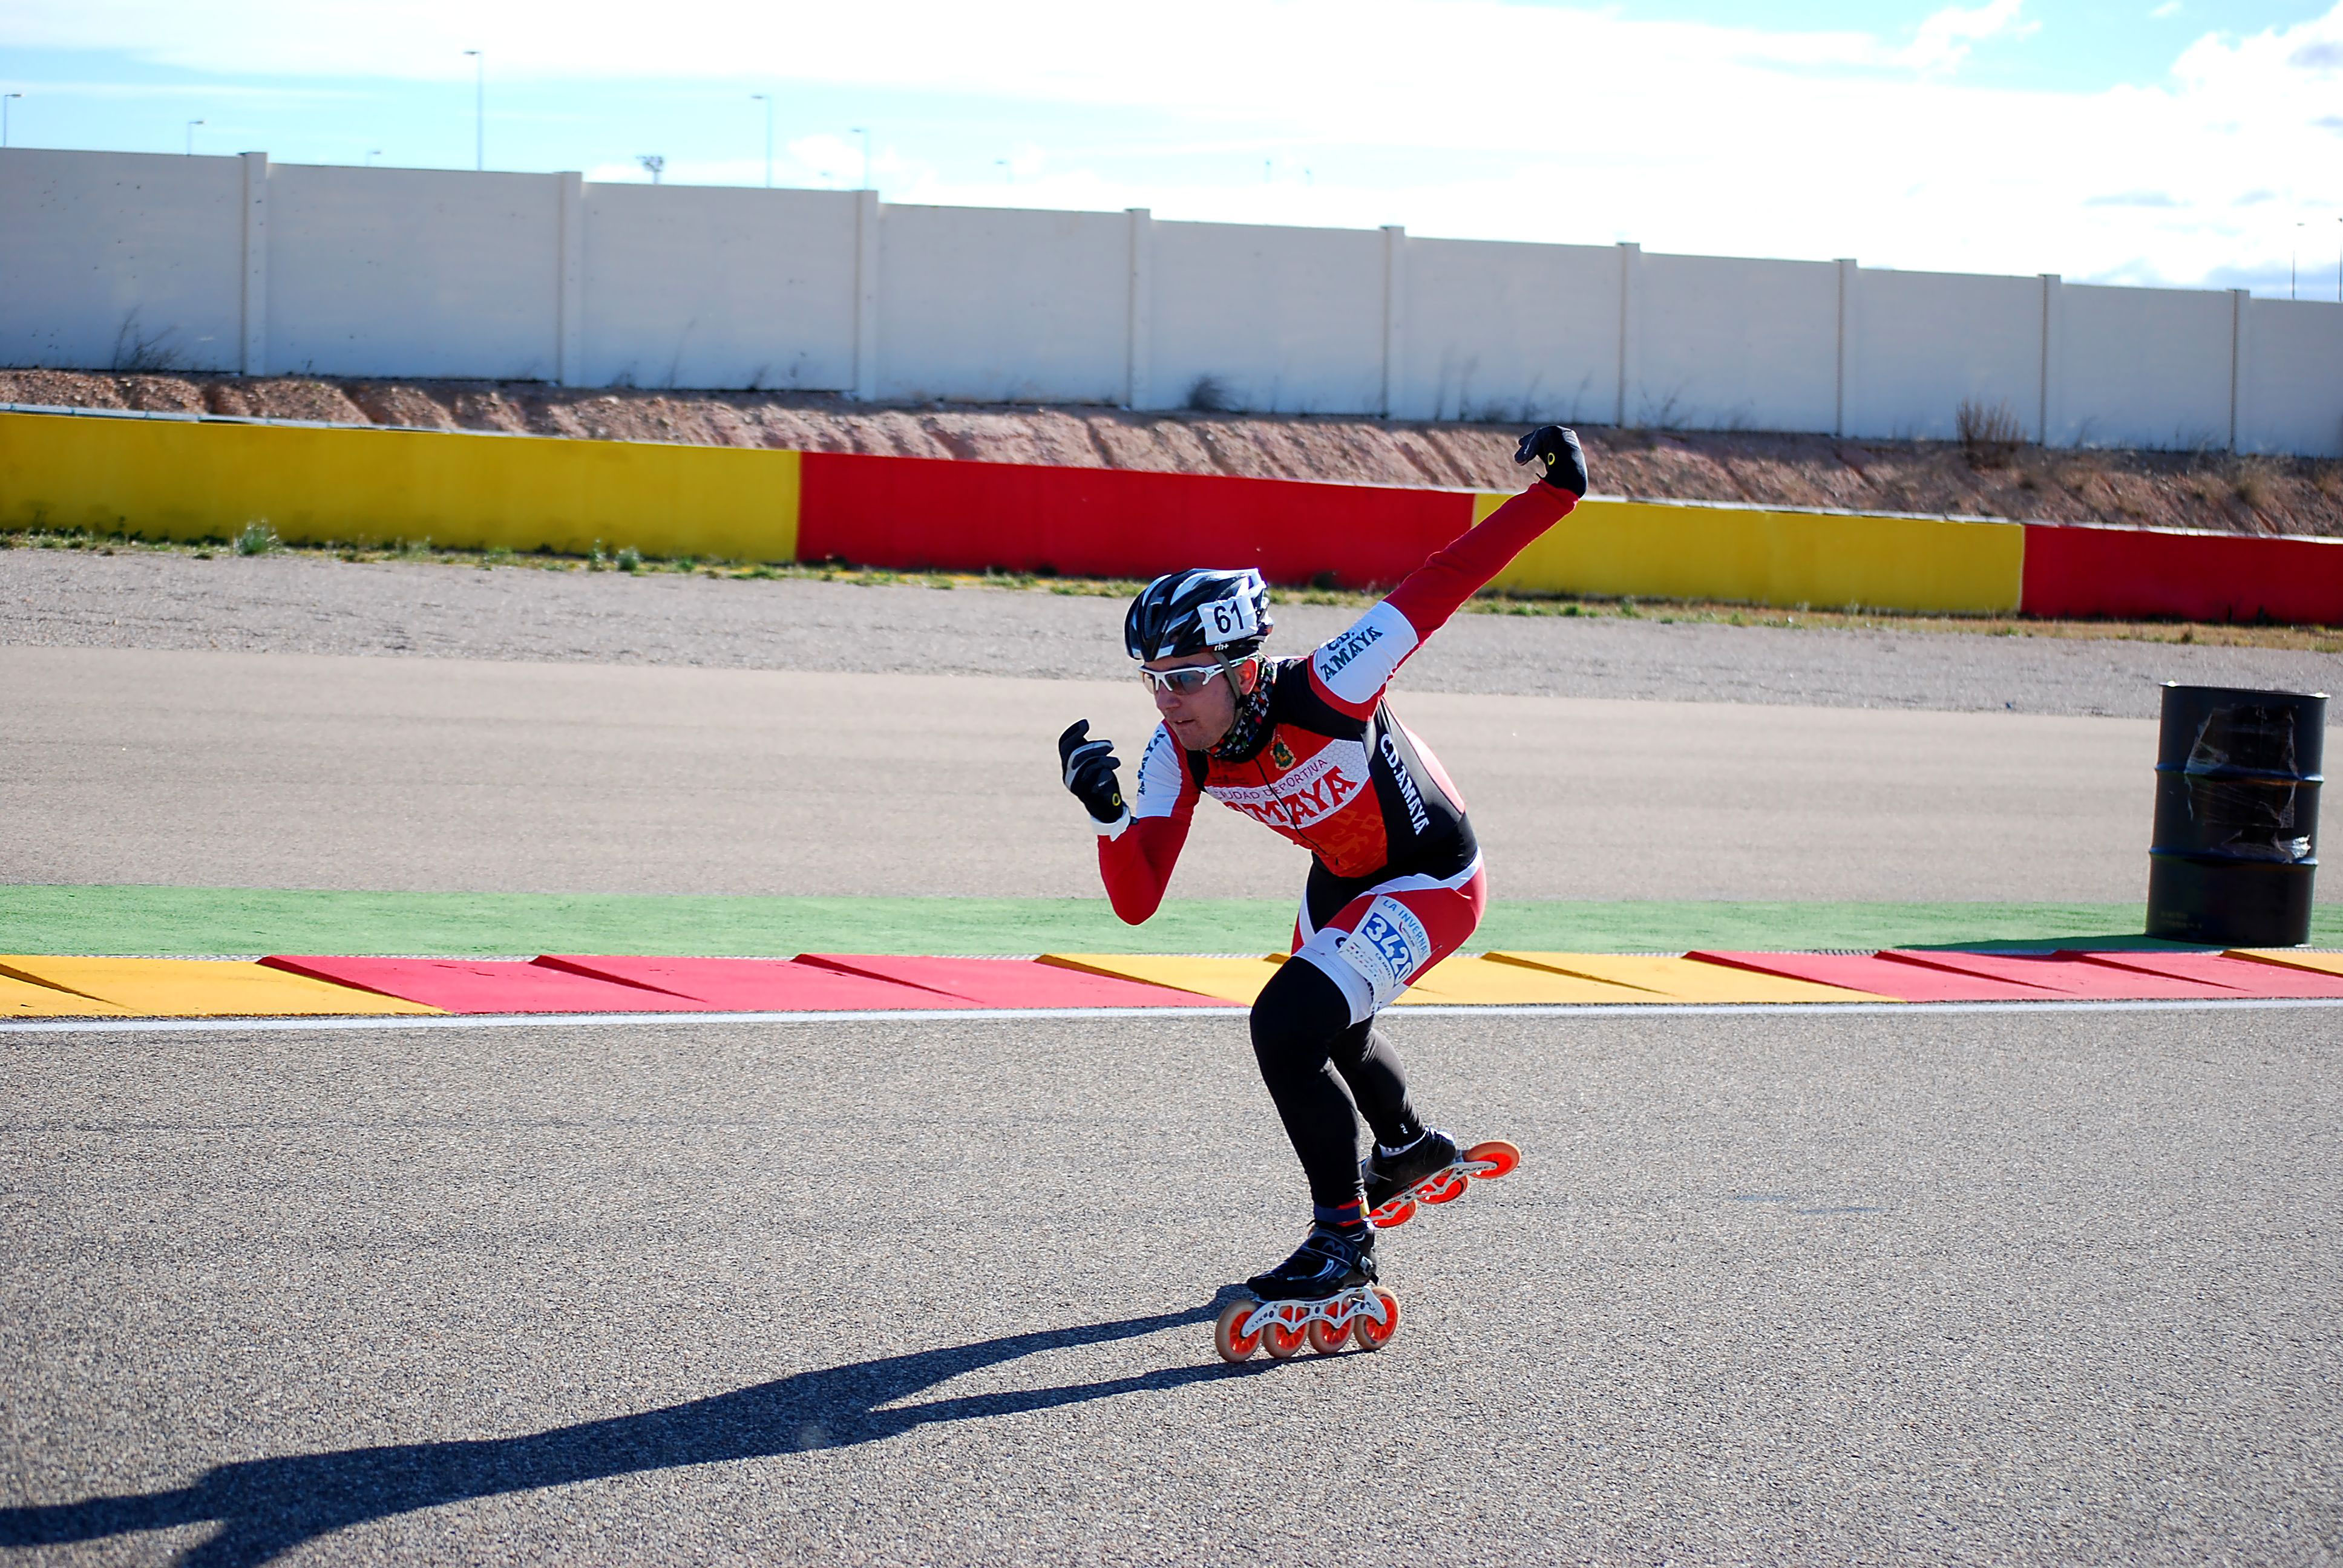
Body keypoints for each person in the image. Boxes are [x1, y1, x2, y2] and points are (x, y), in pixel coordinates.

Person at [1055, 424, 1590, 1304]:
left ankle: (1344, 1244)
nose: (1167, 702)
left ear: (1241, 668)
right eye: (1151, 679)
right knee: (1332, 1026)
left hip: (1433, 877)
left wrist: (1554, 495)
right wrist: (1108, 817)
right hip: (1342, 878)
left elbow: (1444, 581)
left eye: (1185, 678)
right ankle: (1405, 1146)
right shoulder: (1175, 753)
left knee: (1284, 1026)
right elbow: (1137, 902)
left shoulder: (1332, 684)